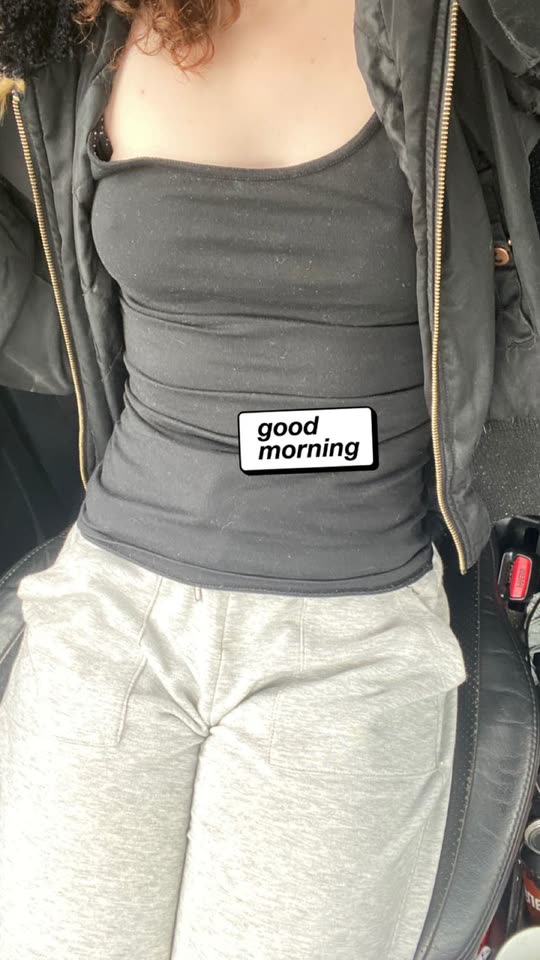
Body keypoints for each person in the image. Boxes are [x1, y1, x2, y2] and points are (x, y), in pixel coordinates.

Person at [0, 1, 539, 958]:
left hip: (351, 631)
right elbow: (58, 308)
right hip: (111, 605)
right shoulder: (82, 26)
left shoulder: (459, 26)